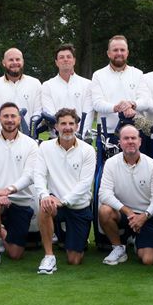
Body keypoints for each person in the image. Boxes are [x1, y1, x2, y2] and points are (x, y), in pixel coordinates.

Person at [33, 108, 97, 272]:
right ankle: (49, 256)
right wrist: (45, 195)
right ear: (56, 126)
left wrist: (64, 201)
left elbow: (85, 184)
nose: (67, 127)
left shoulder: (88, 150)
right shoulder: (45, 147)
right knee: (45, 205)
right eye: (63, 124)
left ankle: (65, 238)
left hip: (78, 207)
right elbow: (38, 175)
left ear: (76, 126)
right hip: (55, 204)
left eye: (71, 123)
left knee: (74, 259)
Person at [0, 102, 40, 269]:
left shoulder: (31, 144)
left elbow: (30, 175)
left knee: (15, 254)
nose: (9, 120)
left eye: (13, 116)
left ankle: (0, 229)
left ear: (19, 119)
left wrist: (9, 190)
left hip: (21, 200)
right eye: (6, 116)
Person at [96, 124, 153, 267]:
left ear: (140, 141)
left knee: (148, 260)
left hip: (146, 216)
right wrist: (128, 212)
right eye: (126, 138)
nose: (130, 141)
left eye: (133, 138)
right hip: (123, 214)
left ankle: (136, 241)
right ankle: (118, 247)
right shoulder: (110, 163)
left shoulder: (152, 165)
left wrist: (144, 216)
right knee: (104, 211)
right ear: (120, 143)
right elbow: (104, 194)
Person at [90, 35, 144, 133]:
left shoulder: (138, 74)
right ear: (108, 53)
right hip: (107, 132)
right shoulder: (98, 75)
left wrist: (131, 105)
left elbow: (144, 100)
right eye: (115, 50)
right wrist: (116, 108)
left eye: (122, 50)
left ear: (127, 53)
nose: (119, 53)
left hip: (134, 132)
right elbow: (97, 103)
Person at [38, 44, 91, 136]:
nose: (65, 59)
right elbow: (50, 114)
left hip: (82, 139)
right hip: (56, 139)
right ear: (56, 62)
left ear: (74, 60)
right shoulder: (47, 86)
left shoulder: (87, 84)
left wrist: (80, 135)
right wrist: (61, 134)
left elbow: (88, 113)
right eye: (61, 57)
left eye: (68, 57)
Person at [0, 47, 42, 132]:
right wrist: (6, 132)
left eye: (17, 59)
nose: (15, 62)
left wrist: (31, 130)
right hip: (2, 137)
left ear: (22, 62)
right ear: (4, 63)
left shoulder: (35, 83)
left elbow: (38, 111)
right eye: (11, 60)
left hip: (29, 138)